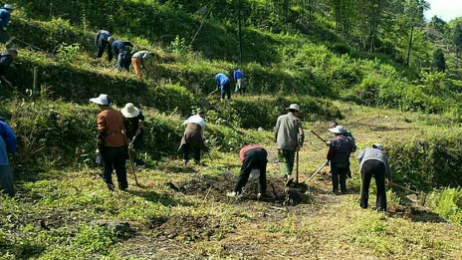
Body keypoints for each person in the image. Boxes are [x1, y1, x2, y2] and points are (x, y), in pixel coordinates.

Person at [90, 94, 128, 191]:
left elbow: (101, 131)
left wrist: (99, 146)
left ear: (101, 105)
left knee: (106, 165)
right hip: (120, 143)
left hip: (109, 144)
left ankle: (109, 184)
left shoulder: (102, 115)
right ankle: (123, 185)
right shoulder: (118, 113)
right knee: (120, 166)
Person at [274, 104, 304, 184]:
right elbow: (301, 134)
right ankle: (288, 177)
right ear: (296, 111)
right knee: (290, 163)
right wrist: (300, 144)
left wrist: (276, 140)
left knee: (283, 161)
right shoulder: (297, 120)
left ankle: (287, 177)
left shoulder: (280, 118)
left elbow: (276, 130)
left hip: (281, 144)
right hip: (292, 145)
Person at [358, 144, 393, 211]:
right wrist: (389, 178)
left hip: (366, 164)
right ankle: (381, 207)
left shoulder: (366, 150)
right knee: (381, 188)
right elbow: (387, 166)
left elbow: (359, 157)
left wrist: (362, 166)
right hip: (379, 165)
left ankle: (363, 205)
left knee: (365, 186)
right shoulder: (382, 153)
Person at [327, 125, 354, 194]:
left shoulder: (334, 140)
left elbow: (331, 151)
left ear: (336, 133)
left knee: (334, 175)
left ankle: (335, 189)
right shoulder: (348, 140)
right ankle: (343, 189)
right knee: (342, 175)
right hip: (344, 160)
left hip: (335, 161)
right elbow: (351, 149)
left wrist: (329, 158)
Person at [0, 116, 17, 196]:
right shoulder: (2, 123)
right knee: (3, 168)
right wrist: (12, 150)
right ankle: (9, 193)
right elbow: (12, 137)